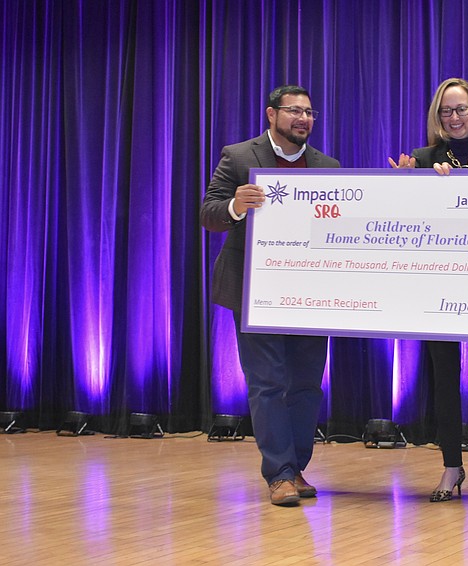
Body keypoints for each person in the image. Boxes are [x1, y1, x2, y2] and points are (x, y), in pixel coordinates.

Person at [200, 85, 340, 507]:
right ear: (271, 114)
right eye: (294, 110)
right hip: (255, 292)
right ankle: (278, 473)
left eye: (309, 112)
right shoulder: (240, 156)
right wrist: (235, 206)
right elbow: (209, 213)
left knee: (307, 385)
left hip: (311, 293)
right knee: (267, 384)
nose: (303, 118)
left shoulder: (328, 166)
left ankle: (295, 468)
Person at [389, 78, 468, 502]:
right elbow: (408, 221)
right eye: (446, 110)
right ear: (437, 116)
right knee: (443, 380)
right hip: (437, 286)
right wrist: (404, 186)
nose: (455, 117)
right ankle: (450, 468)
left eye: (461, 109)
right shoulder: (423, 159)